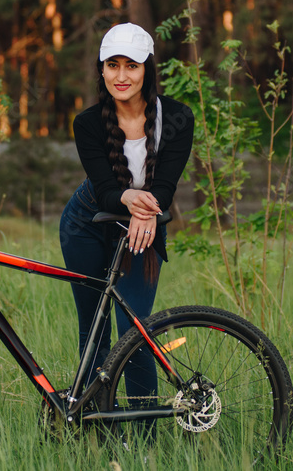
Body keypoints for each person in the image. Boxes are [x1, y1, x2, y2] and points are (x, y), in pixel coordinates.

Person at [60, 22, 194, 399]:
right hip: (86, 223)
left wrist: (145, 211)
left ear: (147, 69)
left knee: (134, 331)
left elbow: (165, 187)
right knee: (94, 331)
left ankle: (144, 438)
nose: (121, 76)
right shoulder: (87, 123)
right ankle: (95, 423)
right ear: (101, 69)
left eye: (131, 66)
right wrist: (131, 202)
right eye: (112, 65)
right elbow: (104, 190)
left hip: (142, 228)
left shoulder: (177, 118)